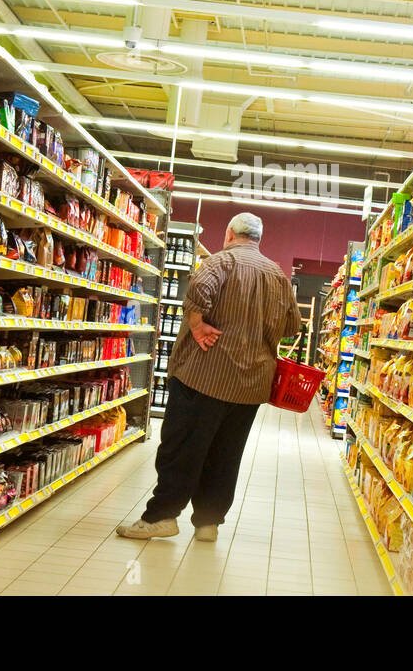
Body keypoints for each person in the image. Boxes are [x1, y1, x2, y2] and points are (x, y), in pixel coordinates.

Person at [117, 212, 301, 542]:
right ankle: (208, 523)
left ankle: (162, 516)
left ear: (230, 233)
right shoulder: (278, 275)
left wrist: (198, 325)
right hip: (251, 386)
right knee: (226, 453)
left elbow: (198, 291)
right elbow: (292, 325)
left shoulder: (220, 263)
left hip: (204, 376)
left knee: (183, 447)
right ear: (259, 238)